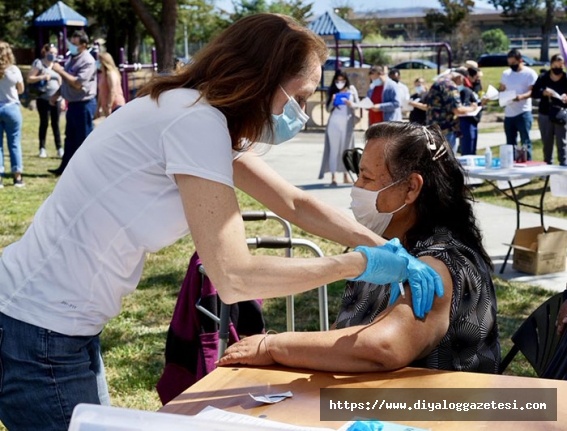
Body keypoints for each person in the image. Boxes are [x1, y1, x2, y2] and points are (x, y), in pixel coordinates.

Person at [0, 14, 443, 431]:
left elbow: (294, 203)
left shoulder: (192, 111)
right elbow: (234, 276)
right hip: (41, 329)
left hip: (52, 322)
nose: (302, 112)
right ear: (264, 79)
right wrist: (356, 264)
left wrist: (386, 249)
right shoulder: (195, 123)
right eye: (301, 97)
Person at [220, 121, 500, 375]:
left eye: (366, 178)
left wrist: (272, 346)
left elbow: (383, 347)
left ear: (411, 188)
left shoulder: (435, 265)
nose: (356, 187)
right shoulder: (390, 251)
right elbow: (343, 335)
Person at [48, 30, 97, 176]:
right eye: (71, 43)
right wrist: (56, 94)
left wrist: (60, 71)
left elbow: (77, 83)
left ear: (84, 45)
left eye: (75, 44)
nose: (72, 46)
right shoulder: (72, 59)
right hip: (74, 104)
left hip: (85, 105)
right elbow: (67, 84)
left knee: (84, 139)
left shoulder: (88, 61)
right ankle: (65, 169)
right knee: (70, 138)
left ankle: (86, 171)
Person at [319, 69, 359, 185]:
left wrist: (350, 104)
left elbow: (357, 106)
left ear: (346, 80)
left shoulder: (352, 90)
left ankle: (346, 175)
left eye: (342, 80)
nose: (340, 82)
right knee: (334, 150)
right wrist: (333, 101)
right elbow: (327, 109)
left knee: (346, 150)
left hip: (347, 125)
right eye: (338, 80)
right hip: (334, 124)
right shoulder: (332, 90)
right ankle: (333, 176)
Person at [424, 68, 477, 153]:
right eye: (463, 80)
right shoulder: (450, 85)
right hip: (445, 130)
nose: (462, 83)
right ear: (459, 77)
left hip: (433, 129)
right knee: (448, 161)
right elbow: (457, 110)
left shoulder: (438, 82)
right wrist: (473, 108)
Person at [499, 49, 538, 161]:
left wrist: (521, 97)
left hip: (523, 112)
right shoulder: (506, 74)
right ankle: (511, 164)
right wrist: (502, 96)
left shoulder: (529, 73)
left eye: (513, 63)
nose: (511, 66)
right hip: (509, 113)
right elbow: (502, 89)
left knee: (525, 141)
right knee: (510, 142)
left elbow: (532, 91)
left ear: (520, 60)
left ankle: (528, 165)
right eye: (509, 63)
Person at [27, 43, 63, 159]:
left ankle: (59, 148)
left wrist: (62, 99)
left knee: (56, 124)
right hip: (43, 98)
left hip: (56, 99)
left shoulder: (57, 66)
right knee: (44, 123)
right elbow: (30, 79)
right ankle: (42, 148)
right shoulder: (39, 63)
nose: (53, 55)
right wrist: (41, 77)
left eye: (55, 53)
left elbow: (61, 82)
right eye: (51, 52)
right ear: (45, 52)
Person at [532, 53, 567, 166]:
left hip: (560, 113)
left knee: (562, 143)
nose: (558, 69)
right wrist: (543, 92)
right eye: (555, 66)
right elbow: (534, 92)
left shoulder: (565, 78)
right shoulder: (543, 77)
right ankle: (547, 168)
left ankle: (564, 168)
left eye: (560, 67)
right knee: (547, 143)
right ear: (551, 65)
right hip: (545, 113)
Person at [0, 40, 25, 188]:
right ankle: (18, 177)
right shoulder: (14, 70)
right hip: (11, 108)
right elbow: (21, 90)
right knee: (14, 143)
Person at [95, 52, 126, 118]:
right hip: (107, 107)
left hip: (116, 106)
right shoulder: (102, 75)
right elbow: (101, 92)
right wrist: (98, 107)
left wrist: (109, 106)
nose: (97, 62)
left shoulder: (111, 74)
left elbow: (113, 91)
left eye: (99, 60)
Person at [458, 76, 482, 155]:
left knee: (469, 148)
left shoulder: (466, 90)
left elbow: (466, 105)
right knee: (468, 148)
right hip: (467, 121)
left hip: (469, 120)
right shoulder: (466, 90)